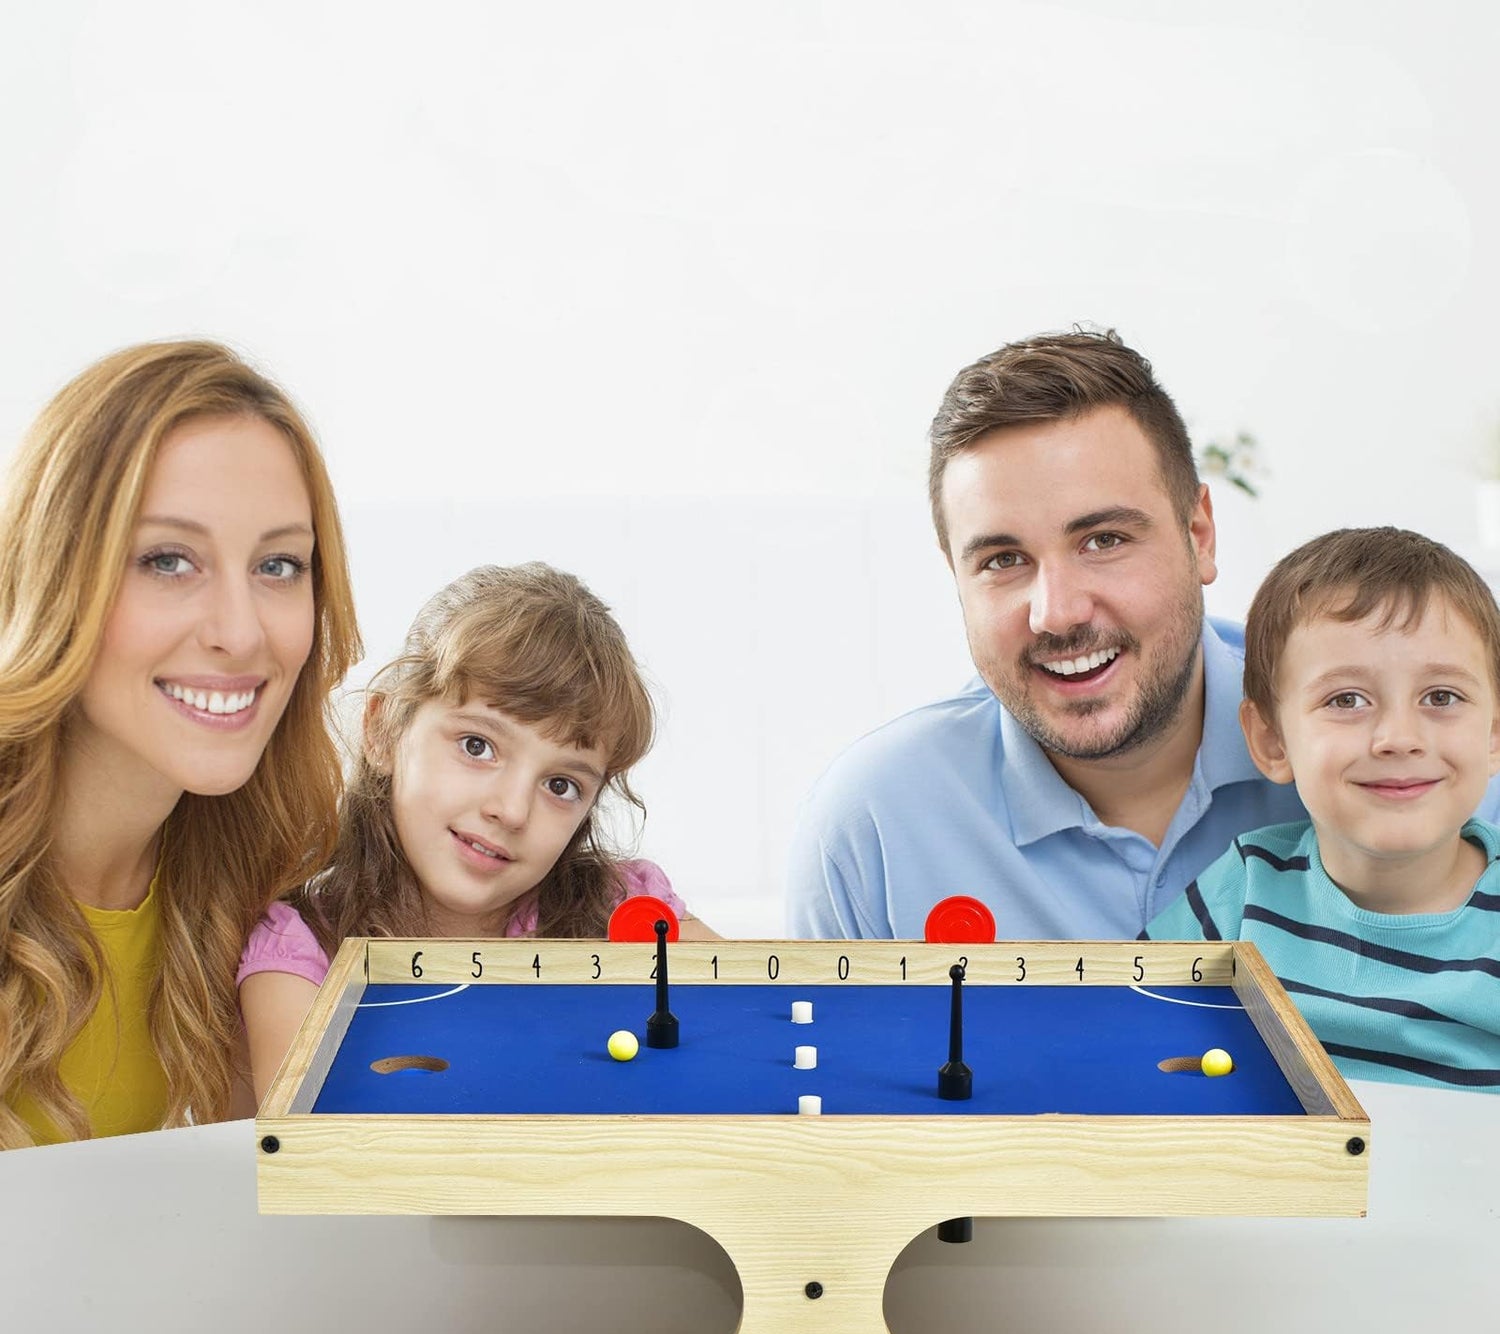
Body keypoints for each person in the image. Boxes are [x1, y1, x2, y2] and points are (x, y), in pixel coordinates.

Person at [786, 328, 1500, 941]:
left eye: (1103, 540)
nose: (1057, 613)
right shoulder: (872, 827)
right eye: (1003, 561)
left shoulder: (1424, 767)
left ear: (1200, 534)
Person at [0, 341, 361, 1148]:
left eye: (278, 564)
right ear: (55, 573)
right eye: (168, 560)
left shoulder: (247, 894)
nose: (240, 633)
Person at [238, 562, 716, 1102]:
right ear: (382, 732)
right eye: (476, 746)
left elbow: (755, 1047)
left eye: (560, 784)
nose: (512, 811)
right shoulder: (299, 953)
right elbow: (311, 1165)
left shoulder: (627, 912)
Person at [1147, 528, 1500, 1092]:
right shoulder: (1246, 885)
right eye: (1346, 700)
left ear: (1494, 733)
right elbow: (1133, 1017)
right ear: (1272, 741)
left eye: (1441, 697)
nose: (1398, 738)